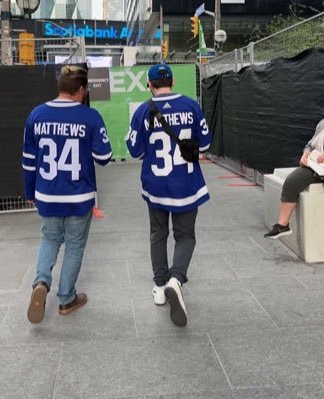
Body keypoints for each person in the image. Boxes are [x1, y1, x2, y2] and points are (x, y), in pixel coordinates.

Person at [22, 65, 112, 323]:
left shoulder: (36, 115)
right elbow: (104, 157)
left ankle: (40, 282)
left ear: (60, 86)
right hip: (78, 196)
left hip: (47, 194)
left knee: (49, 239)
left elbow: (29, 161)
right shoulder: (90, 117)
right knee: (74, 245)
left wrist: (31, 191)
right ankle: (66, 299)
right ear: (81, 90)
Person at [125, 64, 211, 327]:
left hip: (156, 187)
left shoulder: (143, 110)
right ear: (173, 81)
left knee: (158, 234)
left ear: (149, 85)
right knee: (185, 235)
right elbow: (205, 144)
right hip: (187, 185)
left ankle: (161, 286)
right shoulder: (191, 106)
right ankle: (177, 279)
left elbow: (135, 151)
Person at [265, 94, 324, 239]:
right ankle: (283, 225)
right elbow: (310, 143)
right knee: (292, 181)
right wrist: (306, 153)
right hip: (319, 166)